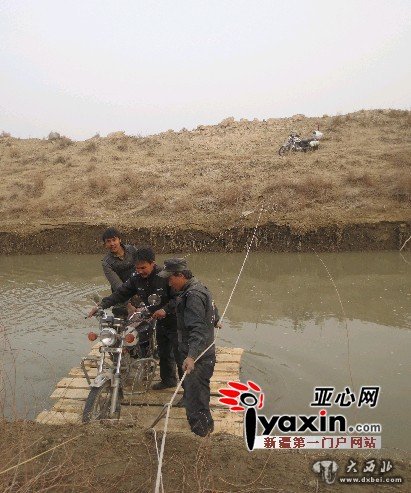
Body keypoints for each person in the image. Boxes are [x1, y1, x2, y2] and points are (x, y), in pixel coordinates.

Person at [88, 246, 182, 390]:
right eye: (137, 268)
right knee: (164, 351)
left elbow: (180, 298)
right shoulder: (136, 279)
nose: (140, 271)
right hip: (158, 318)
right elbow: (120, 293)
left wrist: (165, 309)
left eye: (143, 268)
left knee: (180, 353)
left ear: (153, 263)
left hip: (176, 318)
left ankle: (188, 390)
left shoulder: (166, 276)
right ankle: (168, 380)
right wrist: (101, 305)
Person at [157, 258, 219, 437]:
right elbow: (213, 308)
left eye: (170, 279)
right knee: (199, 392)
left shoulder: (193, 296)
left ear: (180, 275)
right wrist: (216, 319)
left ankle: (201, 434)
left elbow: (197, 330)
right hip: (202, 352)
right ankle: (205, 428)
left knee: (195, 397)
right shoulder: (198, 287)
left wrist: (191, 356)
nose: (169, 283)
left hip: (199, 356)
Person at [101, 227, 137, 292]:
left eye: (114, 240)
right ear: (105, 244)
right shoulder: (106, 263)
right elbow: (118, 285)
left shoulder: (132, 250)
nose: (112, 244)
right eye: (108, 241)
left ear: (120, 240)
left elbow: (145, 265)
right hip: (122, 292)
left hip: (138, 285)